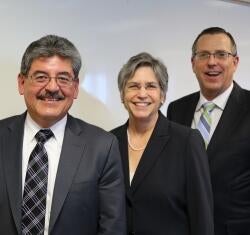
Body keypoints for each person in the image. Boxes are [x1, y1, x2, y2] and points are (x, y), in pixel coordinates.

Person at [0, 35, 126, 235]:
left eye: (63, 79)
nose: (52, 87)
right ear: (22, 83)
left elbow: (112, 228)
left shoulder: (102, 147)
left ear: (75, 88)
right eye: (41, 77)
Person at [111, 52, 214, 235]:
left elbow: (202, 216)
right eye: (133, 86)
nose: (142, 94)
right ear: (122, 94)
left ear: (163, 95)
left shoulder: (187, 141)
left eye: (151, 86)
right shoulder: (108, 142)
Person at [167, 27, 250, 235]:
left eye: (221, 54)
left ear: (235, 62)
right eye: (203, 55)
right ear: (193, 64)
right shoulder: (176, 109)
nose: (212, 62)